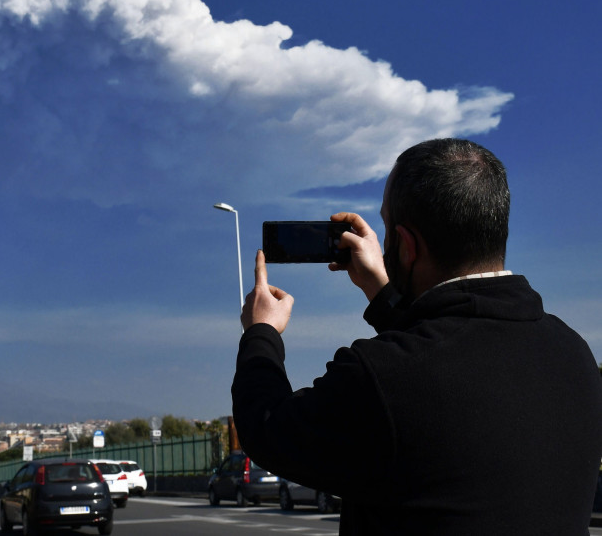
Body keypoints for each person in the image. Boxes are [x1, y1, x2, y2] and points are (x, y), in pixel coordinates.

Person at [232, 138, 602, 535]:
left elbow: (268, 427)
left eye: (389, 230)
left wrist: (261, 332)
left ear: (406, 246)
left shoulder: (377, 377)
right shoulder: (574, 354)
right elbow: (448, 355)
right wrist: (383, 293)